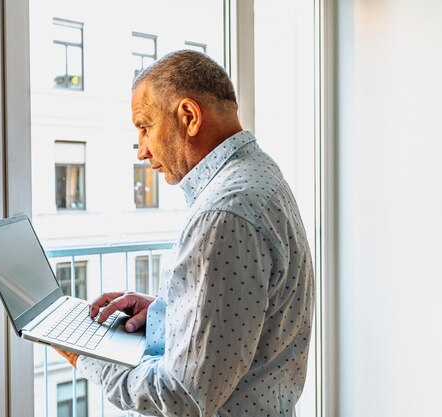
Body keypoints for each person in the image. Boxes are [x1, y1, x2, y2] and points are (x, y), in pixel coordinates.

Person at [55, 49, 314, 417]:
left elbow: (181, 398)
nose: (142, 150)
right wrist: (166, 313)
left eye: (144, 127)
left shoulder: (223, 215)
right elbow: (246, 319)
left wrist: (84, 355)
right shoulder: (257, 174)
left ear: (189, 117)